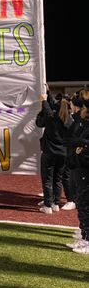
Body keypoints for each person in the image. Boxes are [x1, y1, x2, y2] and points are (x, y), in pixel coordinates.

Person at [64, 97, 89, 253]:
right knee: (82, 202)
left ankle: (87, 241)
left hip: (85, 166)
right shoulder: (83, 121)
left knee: (85, 204)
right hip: (80, 165)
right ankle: (84, 234)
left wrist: (79, 142)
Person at [35, 93, 66, 214]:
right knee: (57, 179)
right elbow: (50, 110)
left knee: (47, 179)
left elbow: (39, 122)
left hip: (49, 153)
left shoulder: (51, 118)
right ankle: (55, 203)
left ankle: (47, 205)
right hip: (63, 154)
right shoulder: (68, 119)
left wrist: (43, 103)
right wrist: (47, 94)